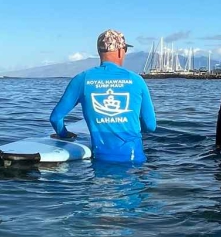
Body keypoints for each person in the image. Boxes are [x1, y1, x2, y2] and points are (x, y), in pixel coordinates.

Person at [50, 29, 157, 164]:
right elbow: (150, 126)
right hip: (135, 161)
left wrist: (64, 135)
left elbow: (55, 118)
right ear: (120, 51)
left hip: (100, 161)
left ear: (99, 51)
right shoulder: (136, 80)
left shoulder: (82, 79)